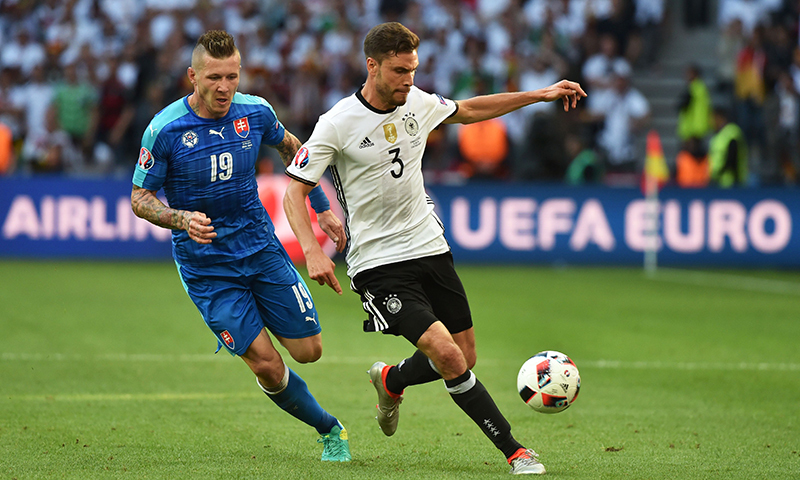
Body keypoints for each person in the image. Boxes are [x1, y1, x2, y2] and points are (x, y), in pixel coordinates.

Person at [283, 22, 586, 476]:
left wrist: (538, 94)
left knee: (465, 355)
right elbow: (293, 192)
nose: (409, 79)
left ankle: (391, 379)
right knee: (446, 355)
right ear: (373, 66)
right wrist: (312, 249)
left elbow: (469, 110)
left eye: (413, 69)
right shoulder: (337, 123)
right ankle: (515, 450)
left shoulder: (418, 102)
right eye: (400, 71)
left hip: (429, 246)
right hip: (378, 264)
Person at [130, 30, 351, 462]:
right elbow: (139, 198)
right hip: (207, 267)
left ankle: (271, 346)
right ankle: (329, 428)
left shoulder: (256, 112)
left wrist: (322, 206)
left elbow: (296, 152)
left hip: (259, 248)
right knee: (267, 363)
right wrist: (180, 218)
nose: (224, 87)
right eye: (214, 77)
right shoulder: (165, 129)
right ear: (192, 76)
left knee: (309, 351)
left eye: (232, 76)